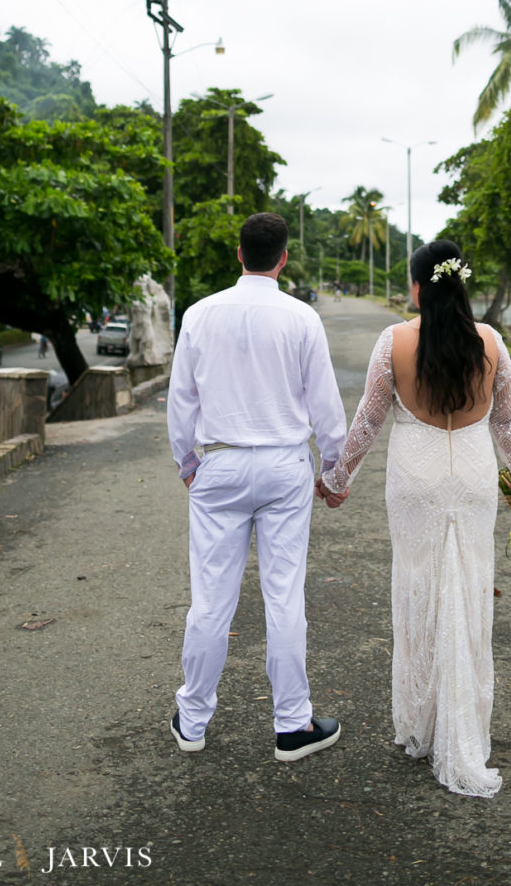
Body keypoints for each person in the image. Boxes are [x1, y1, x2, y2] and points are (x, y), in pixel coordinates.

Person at [319, 238, 511, 799]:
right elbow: (507, 423)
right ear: (460, 284)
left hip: (414, 479)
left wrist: (337, 480)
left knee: (418, 588)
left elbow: (368, 421)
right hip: (473, 478)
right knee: (468, 589)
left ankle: (422, 721)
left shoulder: (394, 341)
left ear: (417, 287)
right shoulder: (491, 342)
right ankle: (466, 723)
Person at [166, 211, 349, 763]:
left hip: (219, 463)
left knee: (211, 598)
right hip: (284, 466)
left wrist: (187, 463)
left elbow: (181, 400)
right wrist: (333, 471)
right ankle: (292, 724)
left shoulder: (199, 314)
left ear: (240, 254)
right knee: (284, 595)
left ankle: (192, 720)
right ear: (283, 259)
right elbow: (326, 405)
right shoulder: (302, 318)